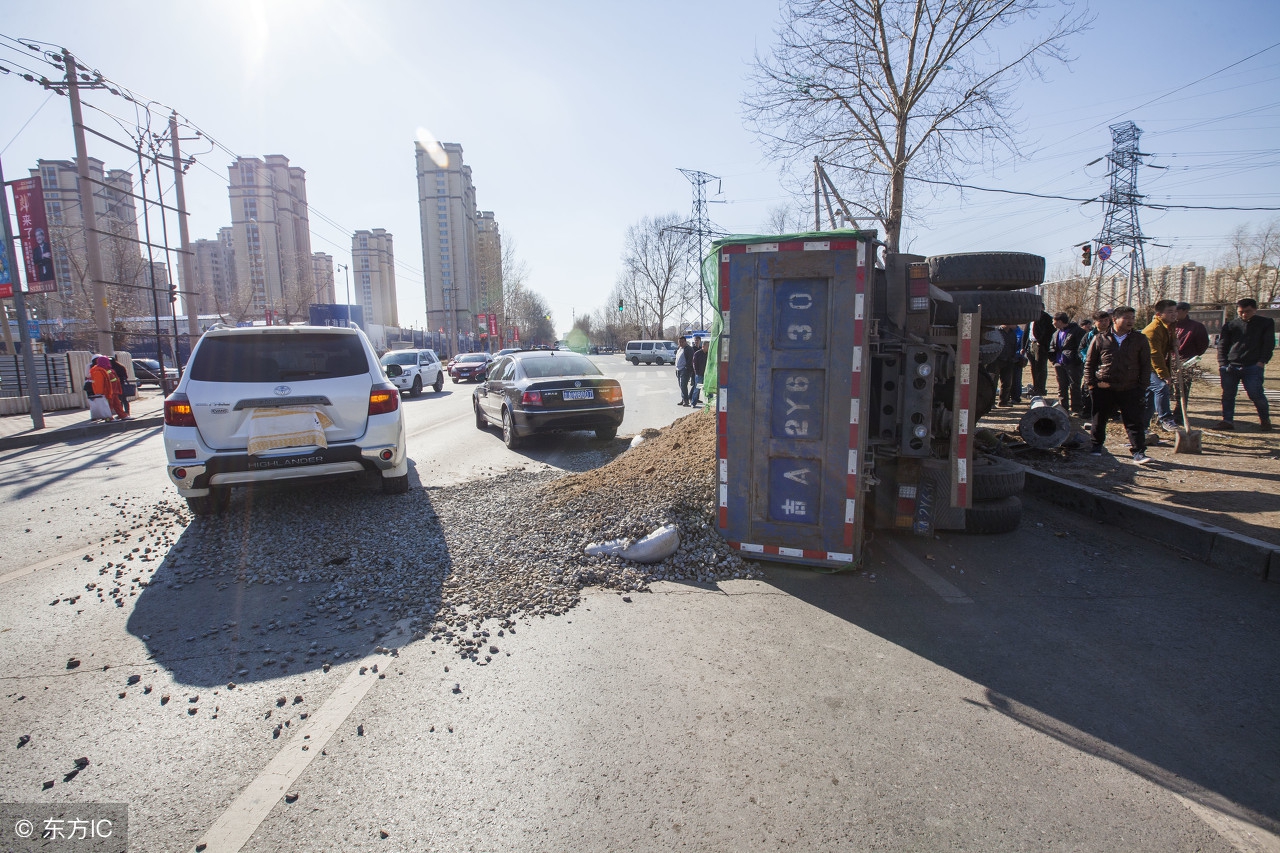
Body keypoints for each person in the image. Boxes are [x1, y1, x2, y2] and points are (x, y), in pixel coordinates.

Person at [1084, 306, 1152, 464]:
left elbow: (1145, 365)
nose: (1131, 321)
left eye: (1132, 318)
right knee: (1099, 419)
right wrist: (1092, 385)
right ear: (1114, 319)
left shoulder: (1139, 339)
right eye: (1126, 318)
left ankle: (1138, 452)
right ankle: (1096, 446)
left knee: (1134, 421)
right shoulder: (1100, 338)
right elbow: (1089, 364)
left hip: (1130, 388)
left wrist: (1142, 387)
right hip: (1105, 387)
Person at [1213, 297, 1274, 431]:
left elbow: (1268, 344)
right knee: (1228, 395)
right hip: (1230, 366)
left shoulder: (1265, 323)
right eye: (1241, 312)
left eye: (1248, 311)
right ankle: (1227, 420)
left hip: (1253, 365)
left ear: (1255, 310)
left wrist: (1262, 361)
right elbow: (1222, 345)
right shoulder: (1230, 325)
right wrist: (1222, 363)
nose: (1244, 314)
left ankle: (1265, 420)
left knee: (1256, 394)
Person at [1142, 299, 1180, 433]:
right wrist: (1164, 375)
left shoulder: (1168, 327)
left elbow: (1164, 346)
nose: (1174, 314)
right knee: (1161, 387)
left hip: (1153, 367)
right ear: (1159, 314)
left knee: (1149, 399)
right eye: (1170, 312)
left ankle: (1142, 428)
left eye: (1175, 311)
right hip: (1145, 367)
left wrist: (1173, 343)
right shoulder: (1152, 330)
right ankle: (1166, 418)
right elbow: (1155, 355)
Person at [1171, 301, 1209, 424]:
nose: (1174, 314)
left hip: (1185, 361)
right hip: (1168, 361)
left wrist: (1190, 358)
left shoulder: (1196, 327)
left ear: (1185, 311)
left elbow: (1202, 345)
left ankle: (1179, 414)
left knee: (1182, 389)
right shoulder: (1169, 325)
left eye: (1176, 311)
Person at [1049, 312, 1085, 414]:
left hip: (1073, 363)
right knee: (1061, 386)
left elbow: (1081, 347)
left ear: (1060, 321)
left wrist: (1076, 360)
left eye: (1054, 321)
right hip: (1059, 363)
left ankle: (1076, 408)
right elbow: (1052, 347)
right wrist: (1054, 360)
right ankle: (1063, 407)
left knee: (1074, 385)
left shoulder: (1078, 331)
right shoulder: (1056, 333)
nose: (1053, 323)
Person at [1078, 311, 1111, 418]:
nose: (1104, 323)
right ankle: (1087, 411)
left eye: (1106, 320)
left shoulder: (1114, 334)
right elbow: (1081, 349)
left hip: (1108, 367)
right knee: (1088, 388)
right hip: (1092, 366)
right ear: (1095, 322)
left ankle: (1111, 412)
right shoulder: (1089, 335)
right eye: (1100, 321)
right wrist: (1087, 359)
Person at [1024, 311, 1054, 397]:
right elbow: (1026, 332)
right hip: (1030, 344)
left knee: (1040, 367)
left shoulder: (1045, 317)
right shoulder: (1030, 317)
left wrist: (1040, 341)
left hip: (1040, 345)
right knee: (1033, 367)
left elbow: (1048, 331)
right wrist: (1024, 346)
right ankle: (1035, 387)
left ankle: (1041, 389)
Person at [991, 324, 1023, 406]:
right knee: (993, 383)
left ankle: (1003, 401)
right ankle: (990, 403)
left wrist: (1013, 358)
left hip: (1009, 361)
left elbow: (1014, 346)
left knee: (1007, 383)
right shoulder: (996, 332)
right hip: (997, 360)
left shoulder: (1012, 333)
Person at [89, 355, 128, 420]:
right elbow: (99, 383)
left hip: (113, 391)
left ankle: (123, 416)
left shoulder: (107, 369)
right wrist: (101, 393)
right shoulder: (98, 371)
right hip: (107, 392)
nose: (109, 362)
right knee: (108, 406)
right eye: (107, 360)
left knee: (117, 404)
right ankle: (108, 418)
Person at [674, 336, 696, 406]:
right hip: (678, 369)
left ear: (685, 342)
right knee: (681, 385)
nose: (680, 343)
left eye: (682, 342)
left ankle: (686, 401)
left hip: (684, 369)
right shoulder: (679, 348)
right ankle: (683, 399)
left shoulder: (689, 349)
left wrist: (687, 367)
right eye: (679, 342)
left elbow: (691, 359)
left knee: (683, 385)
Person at [690, 338, 708, 407]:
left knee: (708, 389)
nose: (708, 347)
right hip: (699, 375)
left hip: (707, 375)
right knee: (697, 389)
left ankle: (709, 403)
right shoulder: (697, 353)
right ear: (703, 346)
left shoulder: (708, 354)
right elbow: (694, 364)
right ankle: (693, 403)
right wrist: (696, 372)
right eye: (707, 346)